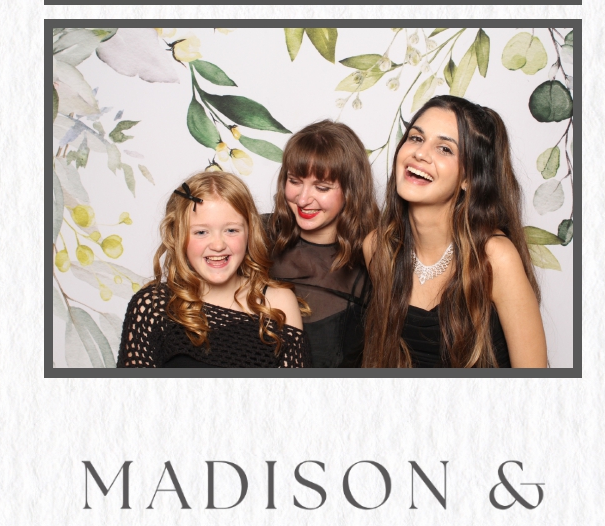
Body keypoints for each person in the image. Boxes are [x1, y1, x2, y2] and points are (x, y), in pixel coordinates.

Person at [362, 98, 548, 369]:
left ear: (468, 178)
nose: (420, 154)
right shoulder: (378, 247)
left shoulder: (495, 257)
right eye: (416, 138)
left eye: (445, 149)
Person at [117, 171, 310, 371]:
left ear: (250, 232)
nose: (218, 245)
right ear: (179, 236)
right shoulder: (152, 306)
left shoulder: (277, 304)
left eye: (231, 230)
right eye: (201, 232)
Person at [266, 121, 377, 369]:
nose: (303, 199)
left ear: (351, 190)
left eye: (322, 187)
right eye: (295, 181)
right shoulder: (257, 237)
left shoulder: (374, 259)